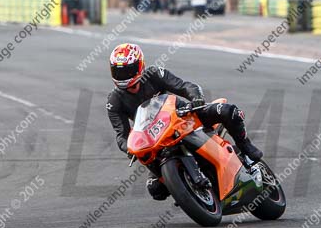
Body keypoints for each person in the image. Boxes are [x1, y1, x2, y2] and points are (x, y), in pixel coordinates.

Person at [106, 43, 264, 200]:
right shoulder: (114, 100)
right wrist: (129, 148)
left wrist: (195, 98)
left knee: (228, 111)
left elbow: (183, 86)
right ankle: (189, 190)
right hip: (154, 139)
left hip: (182, 116)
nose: (123, 76)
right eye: (118, 71)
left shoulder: (153, 74)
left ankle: (246, 148)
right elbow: (121, 135)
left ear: (140, 66)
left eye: (127, 70)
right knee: (156, 189)